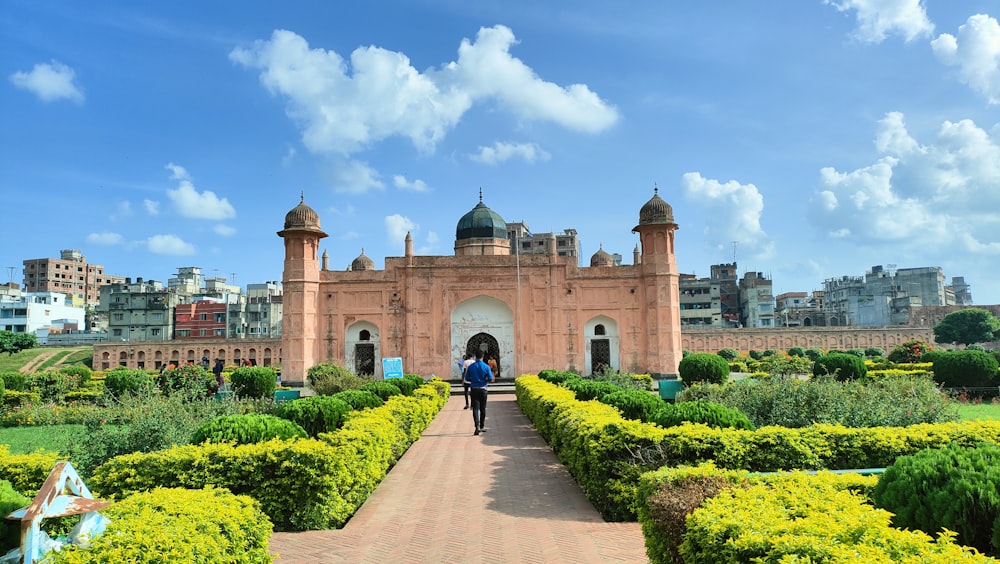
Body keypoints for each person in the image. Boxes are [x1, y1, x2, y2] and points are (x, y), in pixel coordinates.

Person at [463, 350, 494, 435]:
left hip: (474, 389)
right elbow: (491, 378)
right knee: (483, 408)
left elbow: (467, 379)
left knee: (475, 409)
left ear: (475, 356)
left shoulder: (471, 367)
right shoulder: (486, 366)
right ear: (482, 356)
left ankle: (476, 426)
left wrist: (473, 380)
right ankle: (482, 426)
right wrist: (485, 380)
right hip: (483, 389)